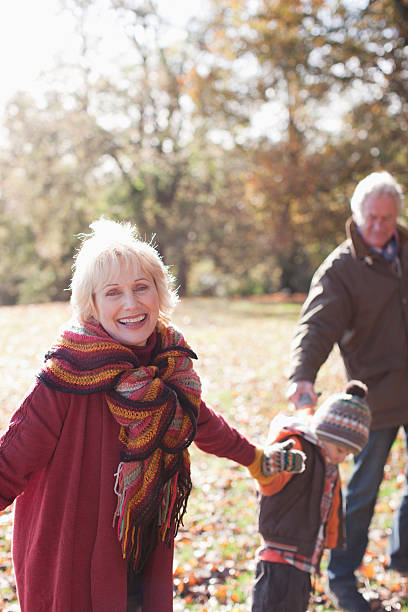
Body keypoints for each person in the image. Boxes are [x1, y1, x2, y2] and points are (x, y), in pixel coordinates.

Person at [0, 218, 305, 612]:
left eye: (141, 287)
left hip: (140, 542)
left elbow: (200, 422)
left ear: (159, 294)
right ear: (91, 305)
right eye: (113, 292)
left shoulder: (169, 365)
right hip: (73, 555)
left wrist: (255, 459)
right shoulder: (65, 376)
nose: (131, 303)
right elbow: (12, 461)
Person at [287, 170, 407, 611]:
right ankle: (340, 575)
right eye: (372, 217)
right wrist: (302, 376)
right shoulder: (341, 268)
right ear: (356, 216)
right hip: (375, 398)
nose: (379, 226)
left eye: (388, 218)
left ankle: (403, 556)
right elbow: (315, 326)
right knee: (363, 488)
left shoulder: (406, 250)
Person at [251, 381, 371, 612]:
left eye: (348, 454)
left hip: (305, 559)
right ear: (325, 433)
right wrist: (271, 464)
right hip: (279, 558)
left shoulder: (329, 464)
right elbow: (269, 481)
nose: (342, 458)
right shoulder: (299, 448)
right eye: (341, 451)